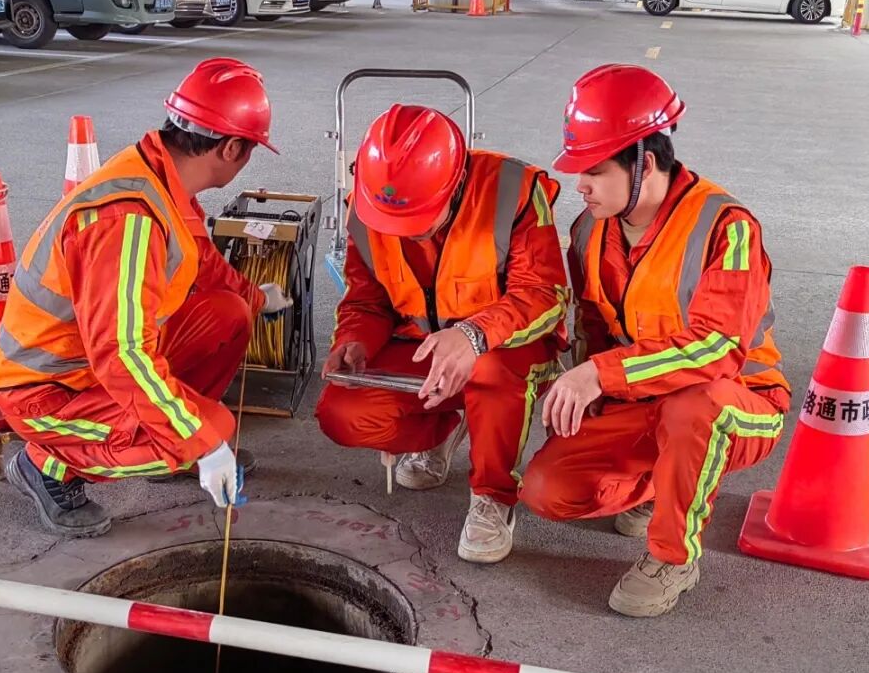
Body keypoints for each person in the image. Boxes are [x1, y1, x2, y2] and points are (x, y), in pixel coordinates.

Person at [519, 64, 790, 617]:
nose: (580, 185)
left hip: (740, 401)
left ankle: (673, 556)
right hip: (644, 400)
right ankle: (662, 488)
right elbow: (597, 331)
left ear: (643, 162)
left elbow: (719, 349)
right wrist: (590, 383)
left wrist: (601, 375)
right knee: (546, 489)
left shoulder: (725, 227)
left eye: (594, 169)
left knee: (696, 408)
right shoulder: (589, 229)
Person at [0, 58, 292, 538]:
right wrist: (201, 441)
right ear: (233, 147)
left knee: (228, 314)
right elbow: (121, 354)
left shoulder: (161, 176)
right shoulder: (128, 220)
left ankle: (168, 436)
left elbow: (205, 264)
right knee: (209, 428)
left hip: (89, 368)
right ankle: (44, 466)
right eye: (251, 149)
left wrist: (257, 297)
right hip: (48, 394)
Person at [316, 104, 569, 564]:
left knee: (491, 373)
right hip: (418, 348)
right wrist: (354, 342)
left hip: (504, 347)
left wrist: (474, 335)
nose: (408, 236)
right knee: (343, 412)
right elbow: (366, 300)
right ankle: (443, 431)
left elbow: (545, 296)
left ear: (456, 186)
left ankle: (494, 495)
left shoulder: (512, 191)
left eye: (419, 224)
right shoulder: (368, 206)